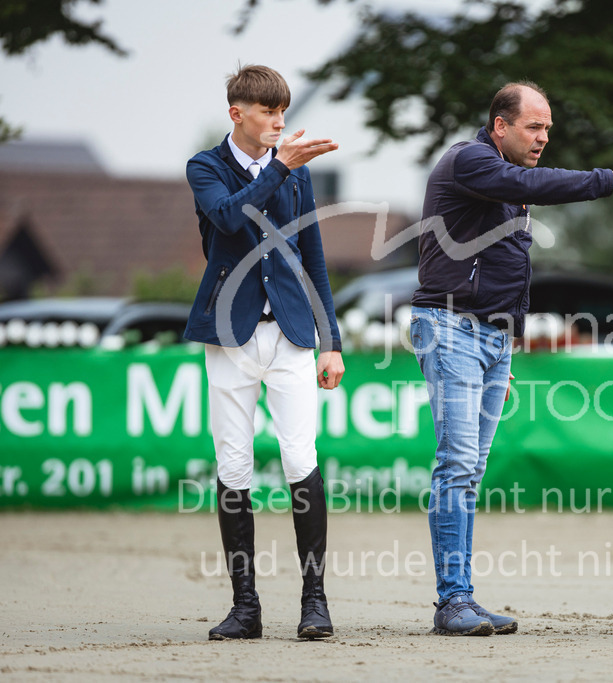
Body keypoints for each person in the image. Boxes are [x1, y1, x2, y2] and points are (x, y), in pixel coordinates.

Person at [410, 80, 613, 636]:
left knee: (470, 469)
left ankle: (461, 599)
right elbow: (529, 182)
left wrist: (514, 332)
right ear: (500, 126)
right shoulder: (472, 161)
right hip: (452, 328)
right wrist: (605, 180)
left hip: (491, 338)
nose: (544, 137)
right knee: (456, 465)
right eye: (535, 126)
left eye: (548, 127)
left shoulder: (502, 179)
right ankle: (453, 602)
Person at [184, 64, 345, 641]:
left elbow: (314, 259)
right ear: (237, 114)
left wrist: (332, 341)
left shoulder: (294, 172)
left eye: (283, 112)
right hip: (230, 335)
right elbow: (228, 218)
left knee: (301, 459)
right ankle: (245, 606)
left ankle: (315, 601)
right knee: (234, 466)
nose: (280, 121)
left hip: (292, 336)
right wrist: (280, 169)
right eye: (269, 112)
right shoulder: (206, 167)